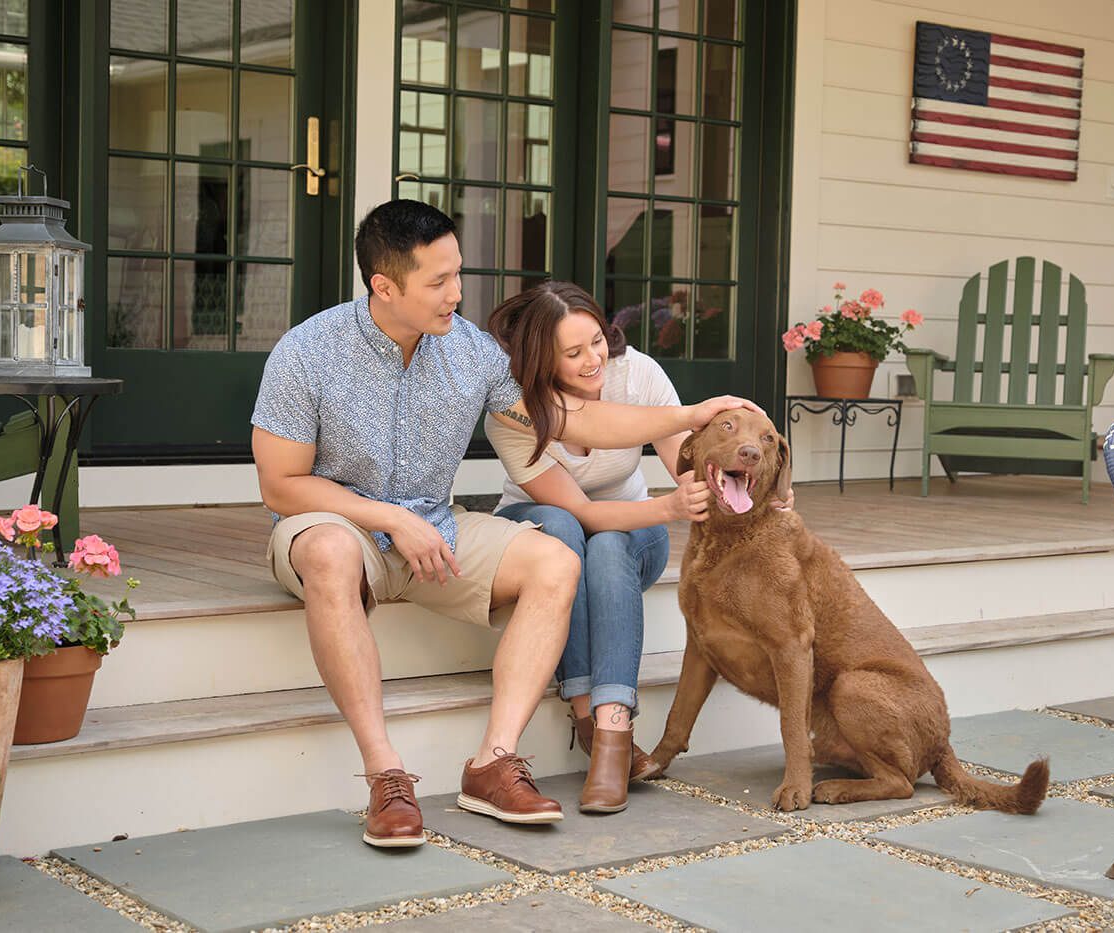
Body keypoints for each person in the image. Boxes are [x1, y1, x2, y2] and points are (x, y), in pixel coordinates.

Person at [250, 199, 758, 845]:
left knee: (557, 559)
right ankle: (386, 776)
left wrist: (689, 415)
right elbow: (281, 483)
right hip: (338, 523)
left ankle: (494, 763)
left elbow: (572, 420)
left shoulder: (474, 353)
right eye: (437, 281)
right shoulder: (308, 351)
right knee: (328, 551)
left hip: (437, 525)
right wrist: (387, 519)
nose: (455, 294)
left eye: (457, 273)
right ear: (384, 285)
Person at [484, 281, 705, 814]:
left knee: (606, 546)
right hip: (546, 526)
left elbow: (688, 466)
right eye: (573, 352)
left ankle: (610, 728)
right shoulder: (513, 408)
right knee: (564, 530)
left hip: (630, 534)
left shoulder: (638, 374)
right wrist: (670, 508)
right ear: (541, 359)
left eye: (598, 342)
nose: (593, 361)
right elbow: (579, 512)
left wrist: (745, 485)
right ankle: (593, 724)